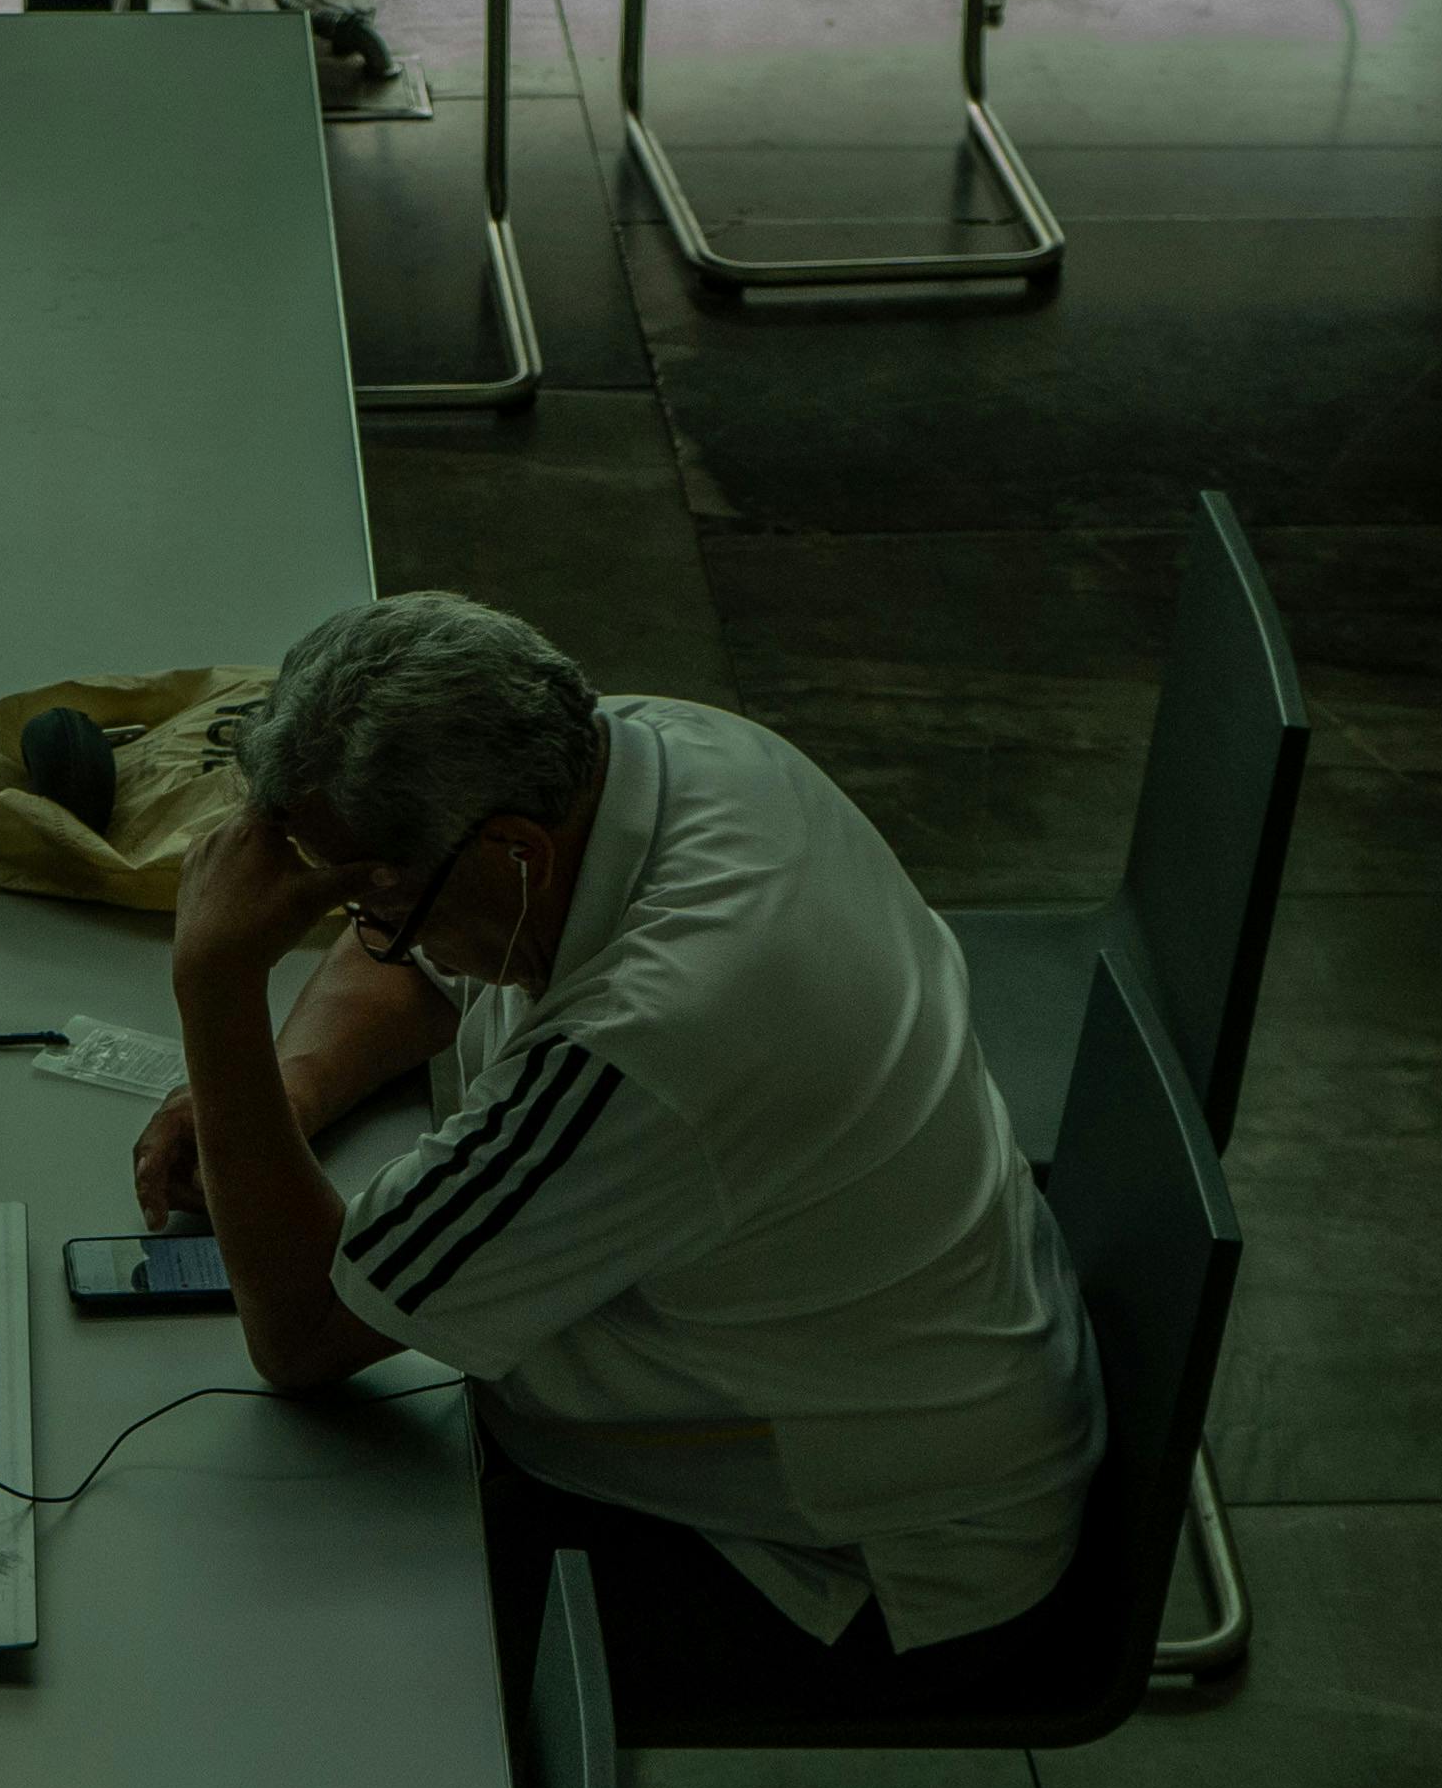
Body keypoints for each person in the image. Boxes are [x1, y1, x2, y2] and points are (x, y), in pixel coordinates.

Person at [133, 591, 1103, 1710]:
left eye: (379, 899)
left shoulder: (654, 1040)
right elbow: (418, 967)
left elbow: (303, 1327)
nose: (373, 935)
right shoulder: (654, 750)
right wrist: (289, 1092)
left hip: (879, 1564)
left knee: (291, 1650)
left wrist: (216, 991)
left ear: (513, 853)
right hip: (938, 1373)